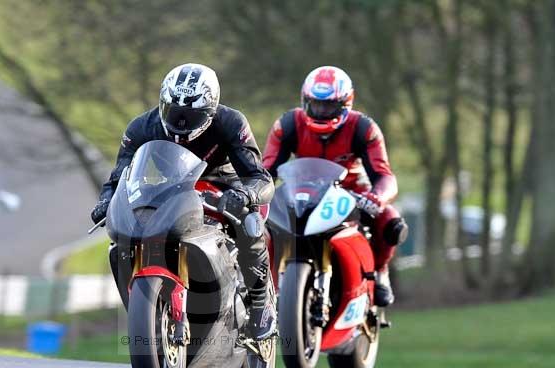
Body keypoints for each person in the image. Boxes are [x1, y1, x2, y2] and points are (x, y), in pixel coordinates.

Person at [90, 63, 277, 340]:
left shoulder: (232, 122)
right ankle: (148, 304)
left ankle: (261, 303)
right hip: (170, 189)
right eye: (174, 113)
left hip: (224, 187)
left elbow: (259, 177)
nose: (180, 123)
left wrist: (244, 195)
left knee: (250, 223)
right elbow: (117, 177)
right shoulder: (141, 127)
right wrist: (106, 200)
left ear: (211, 109)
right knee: (125, 233)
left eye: (190, 115)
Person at [263, 66, 408, 306]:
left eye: (328, 106)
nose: (320, 112)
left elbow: (385, 176)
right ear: (305, 101)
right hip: (302, 193)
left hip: (352, 194)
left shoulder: (364, 128)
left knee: (392, 222)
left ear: (345, 104)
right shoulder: (287, 124)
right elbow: (265, 169)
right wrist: (255, 194)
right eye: (315, 104)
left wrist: (377, 197)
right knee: (260, 224)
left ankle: (380, 272)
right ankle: (266, 285)